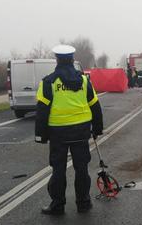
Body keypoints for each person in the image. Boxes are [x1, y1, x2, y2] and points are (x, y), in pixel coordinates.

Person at [35, 44, 104, 215]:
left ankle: (57, 205)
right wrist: (97, 128)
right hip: (81, 132)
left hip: (58, 133)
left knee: (58, 169)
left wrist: (41, 135)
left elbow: (42, 110)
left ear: (57, 59)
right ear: (72, 60)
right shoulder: (84, 81)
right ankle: (83, 203)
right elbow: (95, 105)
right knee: (81, 168)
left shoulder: (48, 82)